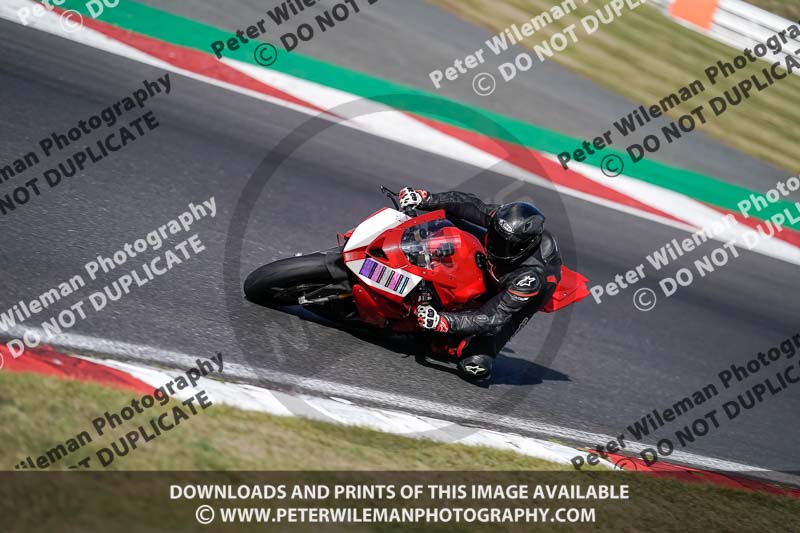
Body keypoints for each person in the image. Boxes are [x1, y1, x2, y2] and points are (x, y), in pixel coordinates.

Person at [398, 187, 562, 381]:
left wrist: (443, 321)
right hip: (502, 262)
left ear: (523, 246)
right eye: (496, 237)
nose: (497, 244)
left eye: (505, 244)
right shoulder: (504, 222)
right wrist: (425, 198)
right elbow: (470, 205)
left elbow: (492, 316)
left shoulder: (531, 277)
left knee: (474, 365)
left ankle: (479, 349)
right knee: (448, 221)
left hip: (519, 295)